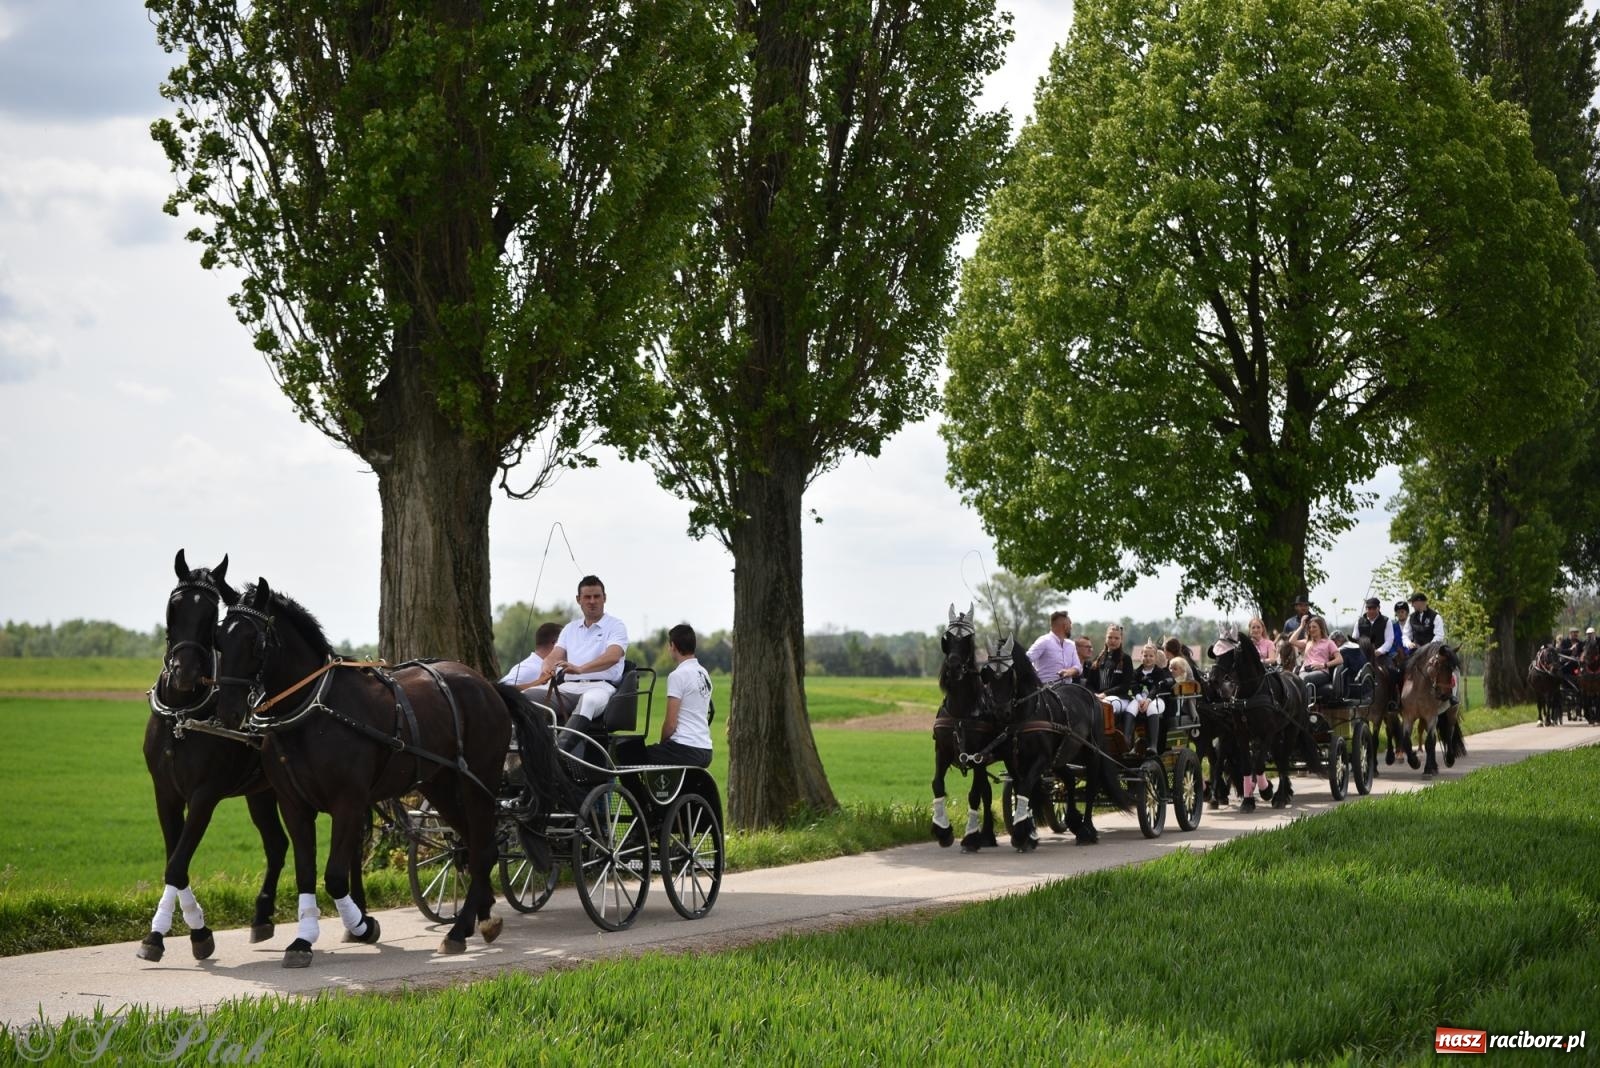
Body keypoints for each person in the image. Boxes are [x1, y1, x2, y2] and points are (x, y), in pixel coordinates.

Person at [532, 575, 629, 751]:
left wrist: (581, 668)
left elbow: (613, 656)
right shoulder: (570, 629)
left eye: (597, 596)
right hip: (568, 688)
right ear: (579, 600)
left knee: (589, 700)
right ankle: (515, 751)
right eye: (587, 597)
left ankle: (560, 752)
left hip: (601, 687)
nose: (592, 601)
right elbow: (554, 655)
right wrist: (546, 668)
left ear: (604, 598)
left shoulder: (616, 626)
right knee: (527, 696)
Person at [644, 624, 713, 768]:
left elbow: (671, 724)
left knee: (629, 755)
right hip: (705, 749)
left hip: (685, 748)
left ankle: (635, 791)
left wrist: (662, 744)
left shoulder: (678, 675)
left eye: (669, 646)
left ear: (673, 646)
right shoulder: (704, 673)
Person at [1089, 625, 1134, 737]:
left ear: (1121, 639)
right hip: (1098, 697)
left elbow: (1125, 686)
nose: (1113, 641)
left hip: (1120, 699)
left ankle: (1103, 738)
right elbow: (1089, 683)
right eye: (1110, 637)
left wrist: (1105, 694)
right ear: (1106, 638)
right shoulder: (1098, 659)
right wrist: (1094, 694)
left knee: (1105, 705)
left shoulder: (1126, 659)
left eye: (1116, 638)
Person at [1129, 641, 1174, 753]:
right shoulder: (1137, 672)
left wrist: (1148, 700)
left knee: (1151, 708)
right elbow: (1134, 686)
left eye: (1151, 656)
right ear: (1141, 657)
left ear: (1155, 658)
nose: (1148, 658)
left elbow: (1156, 687)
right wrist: (1140, 700)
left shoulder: (1160, 672)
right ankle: (1128, 743)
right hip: (1140, 699)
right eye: (1145, 656)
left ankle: (1153, 745)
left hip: (1156, 699)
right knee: (1129, 709)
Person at [501, 621, 564, 689]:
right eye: (565, 644)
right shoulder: (528, 668)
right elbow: (499, 691)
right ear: (555, 643)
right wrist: (537, 683)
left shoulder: (534, 666)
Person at [1026, 611, 1083, 682]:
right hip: (1045, 690)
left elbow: (1078, 667)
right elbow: (1026, 660)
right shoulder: (1044, 641)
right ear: (1065, 626)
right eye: (1070, 624)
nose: (1071, 627)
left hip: (1067, 690)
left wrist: (1069, 672)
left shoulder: (1071, 645)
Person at [1298, 616, 1341, 704]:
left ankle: (1304, 709)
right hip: (1305, 670)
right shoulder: (1307, 642)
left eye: (1314, 627)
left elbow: (1340, 659)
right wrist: (1302, 626)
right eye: (1309, 627)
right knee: (1301, 679)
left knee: (1305, 678)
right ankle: (1307, 708)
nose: (1311, 629)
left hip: (1321, 671)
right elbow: (1291, 641)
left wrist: (1323, 665)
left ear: (1321, 628)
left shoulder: (1329, 642)